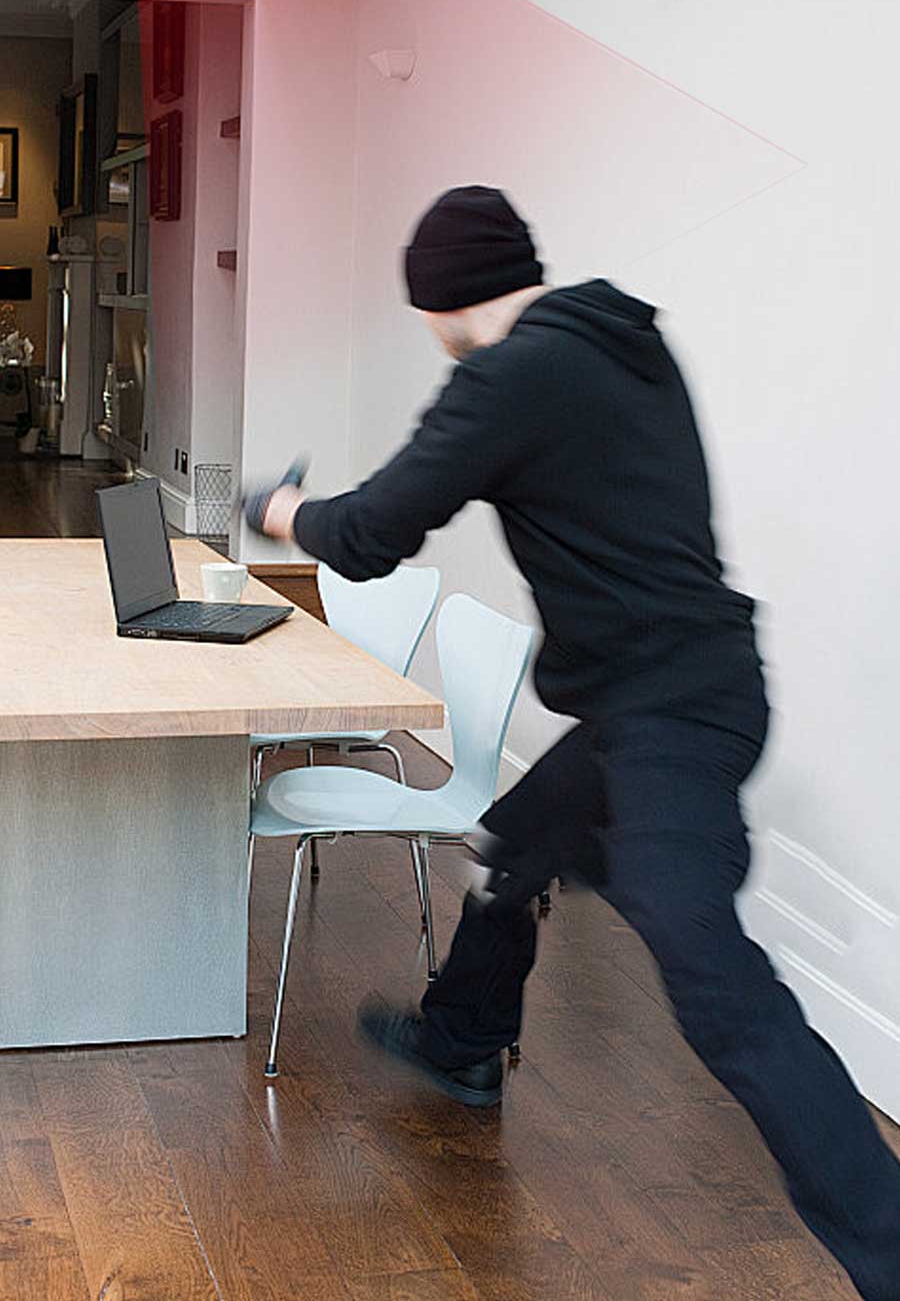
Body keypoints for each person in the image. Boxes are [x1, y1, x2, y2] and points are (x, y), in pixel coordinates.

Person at [260, 185, 900, 1301]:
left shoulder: (508, 377)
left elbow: (369, 534)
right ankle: (463, 1038)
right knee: (508, 847)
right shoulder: (623, 340)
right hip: (686, 689)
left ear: (442, 300)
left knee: (713, 980)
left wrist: (283, 513)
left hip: (666, 722)